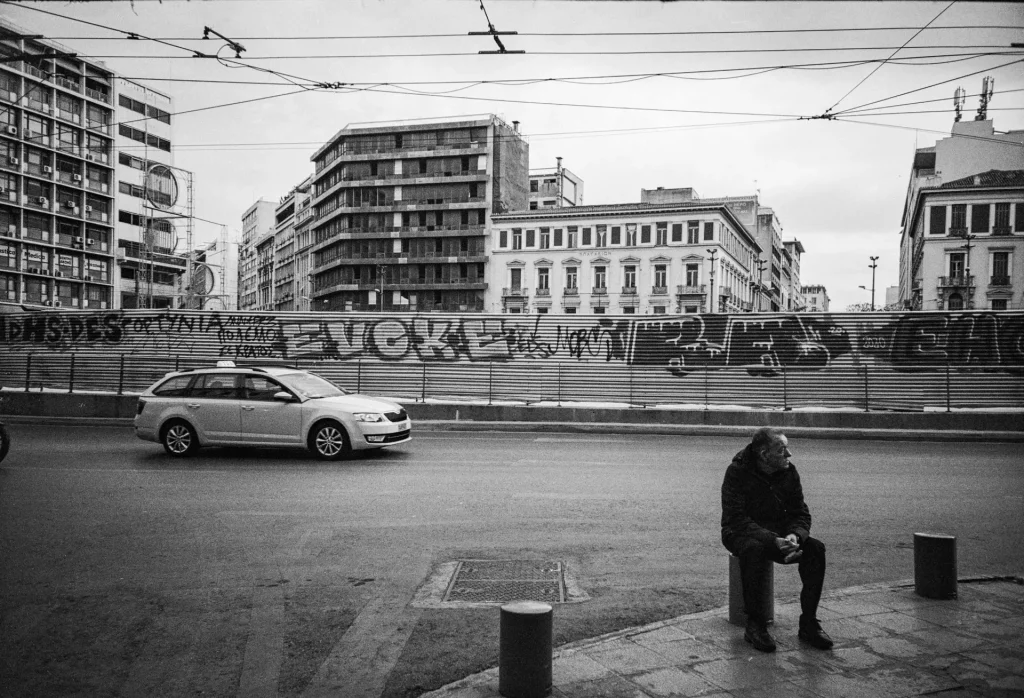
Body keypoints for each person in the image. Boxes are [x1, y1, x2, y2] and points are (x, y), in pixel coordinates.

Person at [721, 427, 833, 653]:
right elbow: (737, 519)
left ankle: (809, 622)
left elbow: (800, 512)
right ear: (764, 454)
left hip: (781, 535)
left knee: (815, 549)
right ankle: (755, 625)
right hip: (740, 533)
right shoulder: (737, 472)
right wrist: (774, 540)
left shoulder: (789, 471)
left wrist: (795, 536)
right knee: (754, 551)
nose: (789, 455)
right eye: (782, 450)